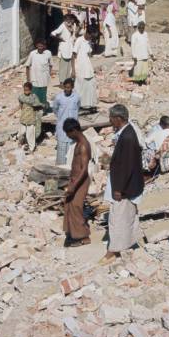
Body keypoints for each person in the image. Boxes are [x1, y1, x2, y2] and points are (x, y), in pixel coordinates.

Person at [101, 104, 144, 265]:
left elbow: (126, 166)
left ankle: (113, 250)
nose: (110, 121)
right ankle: (127, 244)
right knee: (127, 217)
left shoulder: (127, 137)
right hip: (127, 184)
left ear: (118, 118)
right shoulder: (126, 132)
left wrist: (119, 188)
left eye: (112, 118)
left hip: (124, 186)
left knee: (117, 218)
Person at [60, 118, 92, 247]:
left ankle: (83, 237)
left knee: (76, 207)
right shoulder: (78, 143)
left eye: (68, 133)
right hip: (75, 180)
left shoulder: (83, 145)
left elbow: (84, 169)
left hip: (80, 181)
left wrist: (74, 185)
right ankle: (72, 233)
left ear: (73, 131)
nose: (68, 136)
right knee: (69, 205)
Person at [52, 79, 81, 165]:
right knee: (61, 147)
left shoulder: (76, 97)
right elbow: (55, 109)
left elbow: (78, 106)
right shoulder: (59, 97)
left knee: (71, 147)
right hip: (62, 126)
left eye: (69, 87)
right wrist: (60, 117)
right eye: (65, 87)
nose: (67, 89)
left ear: (72, 87)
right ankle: (61, 167)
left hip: (72, 126)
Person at [8, 82, 43, 153]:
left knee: (30, 134)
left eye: (27, 90)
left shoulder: (34, 97)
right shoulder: (21, 97)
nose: (26, 92)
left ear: (31, 90)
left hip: (31, 118)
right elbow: (20, 106)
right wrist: (13, 111)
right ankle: (21, 142)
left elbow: (38, 105)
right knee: (21, 132)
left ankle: (31, 148)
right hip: (23, 117)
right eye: (25, 90)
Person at [25, 39, 53, 112]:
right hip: (35, 79)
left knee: (43, 96)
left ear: (44, 46)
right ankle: (34, 111)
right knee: (34, 95)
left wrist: (48, 74)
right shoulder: (32, 54)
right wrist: (28, 79)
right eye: (39, 44)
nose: (40, 46)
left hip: (44, 79)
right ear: (36, 45)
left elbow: (51, 65)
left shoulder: (48, 53)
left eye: (42, 44)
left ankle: (42, 111)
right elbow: (27, 66)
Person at [72, 32, 97, 109]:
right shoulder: (79, 40)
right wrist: (73, 70)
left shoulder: (89, 42)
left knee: (89, 85)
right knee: (79, 86)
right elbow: (73, 55)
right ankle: (78, 104)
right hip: (80, 66)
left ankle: (88, 104)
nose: (91, 38)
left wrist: (91, 44)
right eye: (90, 36)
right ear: (87, 33)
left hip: (87, 66)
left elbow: (89, 54)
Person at [50, 14, 77, 84]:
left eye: (70, 19)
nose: (68, 20)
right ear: (65, 19)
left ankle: (67, 81)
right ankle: (62, 81)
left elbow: (73, 35)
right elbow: (52, 34)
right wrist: (60, 39)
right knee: (63, 66)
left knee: (69, 66)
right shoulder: (62, 26)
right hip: (64, 47)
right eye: (67, 19)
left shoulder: (73, 26)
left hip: (70, 46)